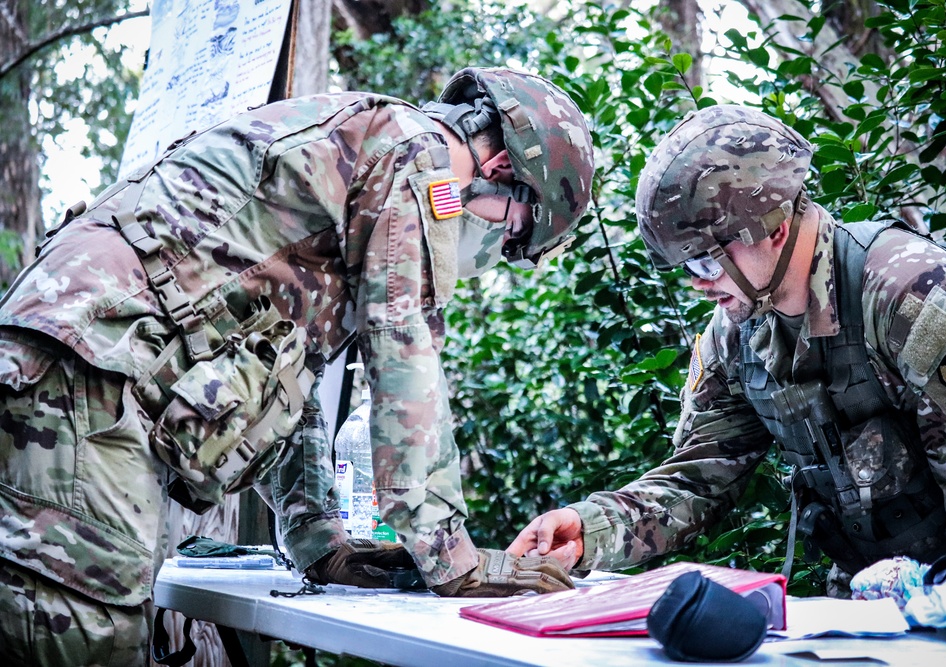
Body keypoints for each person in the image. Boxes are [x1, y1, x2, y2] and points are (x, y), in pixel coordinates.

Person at [0, 67, 593, 665]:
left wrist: (319, 539)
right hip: (88, 369)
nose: (491, 240)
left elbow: (285, 371)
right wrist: (455, 561)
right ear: (499, 174)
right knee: (85, 641)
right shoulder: (420, 156)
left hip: (76, 360)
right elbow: (403, 348)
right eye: (510, 229)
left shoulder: (365, 144)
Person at [508, 104, 946, 597]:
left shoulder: (907, 295)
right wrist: (585, 529)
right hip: (869, 599)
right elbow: (698, 481)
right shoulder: (736, 334)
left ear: (774, 230)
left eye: (704, 261)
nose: (698, 285)